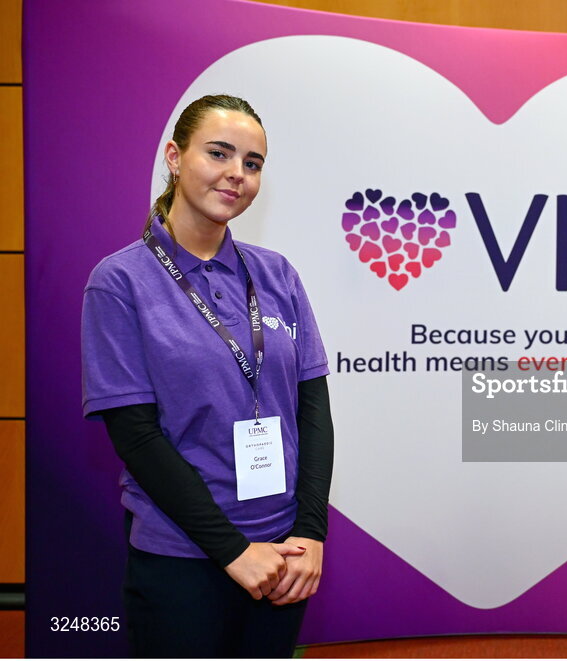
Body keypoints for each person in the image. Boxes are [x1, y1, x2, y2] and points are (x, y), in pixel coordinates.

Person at [82, 95, 334, 657]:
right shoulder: (119, 281)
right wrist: (232, 550)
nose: (236, 175)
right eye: (219, 153)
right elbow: (136, 436)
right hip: (182, 556)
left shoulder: (277, 275)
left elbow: (313, 410)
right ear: (175, 157)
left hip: (285, 554)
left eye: (252, 163)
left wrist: (311, 531)